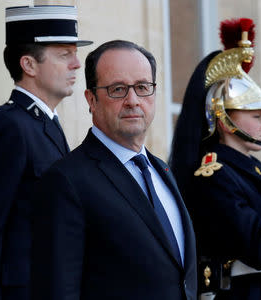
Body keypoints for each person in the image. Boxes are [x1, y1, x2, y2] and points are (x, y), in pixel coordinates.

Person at [30, 40, 197, 300]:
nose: (133, 100)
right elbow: (57, 290)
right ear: (91, 99)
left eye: (143, 87)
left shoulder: (161, 170)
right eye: (118, 89)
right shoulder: (67, 180)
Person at [0, 5, 92, 300]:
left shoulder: (43, 124)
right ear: (29, 64)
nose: (77, 64)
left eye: (74, 54)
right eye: (64, 54)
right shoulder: (7, 127)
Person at [169, 18, 261, 300]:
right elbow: (259, 248)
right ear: (224, 119)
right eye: (257, 116)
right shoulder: (215, 176)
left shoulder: (253, 174)